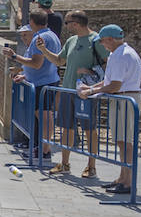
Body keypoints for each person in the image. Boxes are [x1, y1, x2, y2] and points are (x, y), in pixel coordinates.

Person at [36, 10, 105, 177]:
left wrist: (89, 71)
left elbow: (108, 65)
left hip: (86, 92)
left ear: (76, 23)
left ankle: (91, 166)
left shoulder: (96, 40)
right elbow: (60, 60)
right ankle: (65, 164)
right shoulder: (72, 40)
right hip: (68, 90)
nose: (65, 26)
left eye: (67, 23)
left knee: (90, 130)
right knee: (66, 128)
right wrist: (43, 50)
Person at [77, 25, 140, 194]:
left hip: (125, 98)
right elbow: (108, 82)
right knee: (122, 141)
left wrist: (90, 90)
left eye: (103, 42)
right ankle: (123, 178)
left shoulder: (121, 56)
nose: (103, 45)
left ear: (110, 39)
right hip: (123, 98)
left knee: (126, 142)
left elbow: (114, 85)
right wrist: (89, 88)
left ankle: (127, 182)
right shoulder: (118, 53)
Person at [5, 10, 61, 156]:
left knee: (44, 116)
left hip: (43, 82)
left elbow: (36, 64)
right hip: (48, 80)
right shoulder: (52, 35)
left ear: (31, 22)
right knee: (44, 115)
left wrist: (14, 56)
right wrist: (24, 76)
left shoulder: (40, 38)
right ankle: (42, 148)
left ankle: (44, 149)